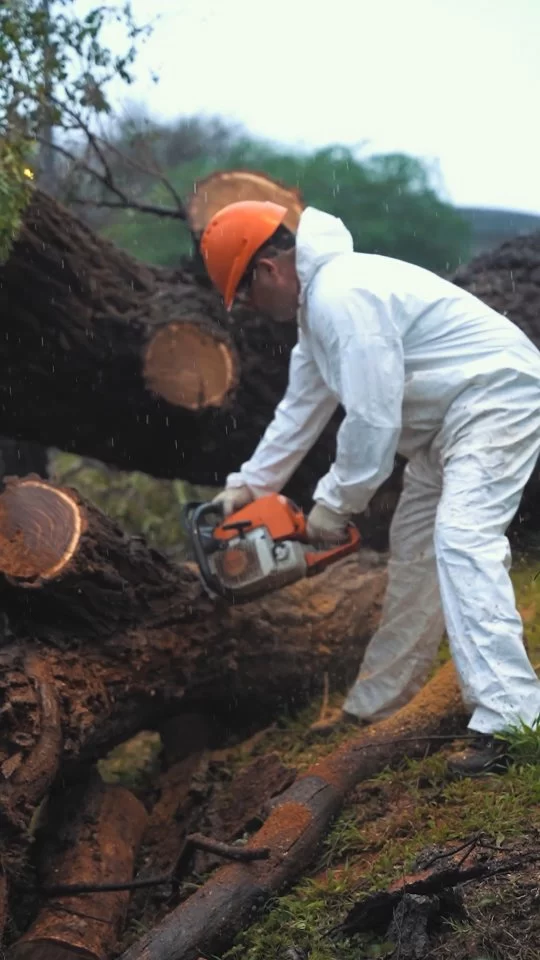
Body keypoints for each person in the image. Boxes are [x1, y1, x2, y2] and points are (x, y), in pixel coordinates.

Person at [200, 199, 540, 777]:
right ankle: (381, 705)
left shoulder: (344, 297)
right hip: (448, 426)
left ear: (268, 271)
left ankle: (511, 724)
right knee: (417, 553)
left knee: (462, 540)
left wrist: (333, 507)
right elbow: (298, 412)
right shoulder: (318, 318)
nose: (254, 311)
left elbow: (373, 419)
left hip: (494, 398)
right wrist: (247, 488)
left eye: (248, 297)